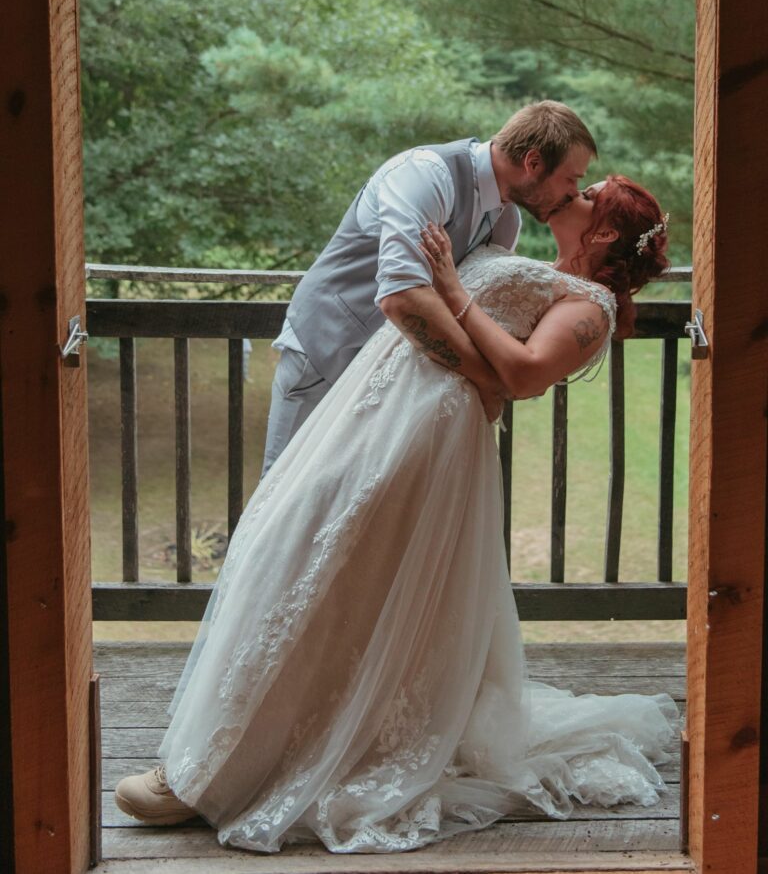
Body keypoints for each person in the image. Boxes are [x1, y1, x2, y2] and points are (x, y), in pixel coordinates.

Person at [115, 174, 677, 855]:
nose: (576, 191)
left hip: (427, 433)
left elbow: (523, 376)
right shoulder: (513, 238)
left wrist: (453, 287)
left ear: (609, 232)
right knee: (291, 549)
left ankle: (235, 768)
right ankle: (228, 747)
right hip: (375, 406)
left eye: (591, 193)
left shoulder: (590, 306)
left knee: (338, 578)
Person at [261, 99, 598, 473]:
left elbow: (474, 308)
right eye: (571, 179)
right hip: (324, 354)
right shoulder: (425, 175)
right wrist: (488, 382)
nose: (573, 192)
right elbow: (402, 299)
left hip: (387, 385)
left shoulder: (506, 220)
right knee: (280, 501)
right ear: (533, 163)